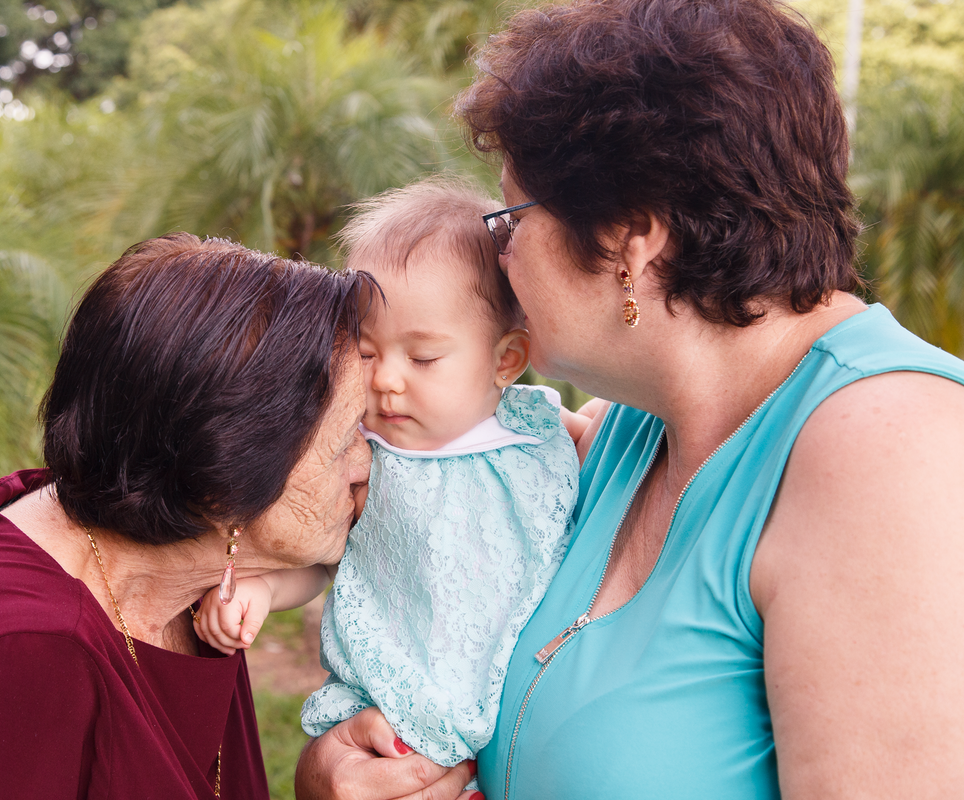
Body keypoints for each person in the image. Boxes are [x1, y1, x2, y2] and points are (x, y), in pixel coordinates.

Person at [296, 0, 964, 798]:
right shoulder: (619, 435)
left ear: (628, 242)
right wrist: (340, 770)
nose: (498, 257)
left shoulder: (892, 453)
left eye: (511, 219)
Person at [0, 233, 375, 799]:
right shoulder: (19, 663)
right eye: (349, 434)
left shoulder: (185, 578)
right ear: (227, 469)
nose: (368, 462)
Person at [194, 178, 581, 778]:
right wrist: (264, 590)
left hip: (518, 708)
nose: (386, 380)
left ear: (505, 359)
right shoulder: (362, 459)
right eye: (367, 353)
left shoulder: (540, 430)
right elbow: (323, 560)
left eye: (422, 358)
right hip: (388, 705)